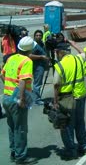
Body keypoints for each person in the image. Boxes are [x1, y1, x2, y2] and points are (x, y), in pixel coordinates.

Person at [53, 41, 86, 160]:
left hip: (67, 99)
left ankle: (71, 151)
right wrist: (72, 43)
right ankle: (84, 146)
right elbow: (83, 52)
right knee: (80, 122)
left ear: (60, 53)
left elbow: (56, 84)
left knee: (66, 125)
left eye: (56, 53)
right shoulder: (78, 59)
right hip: (80, 96)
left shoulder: (59, 66)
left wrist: (55, 101)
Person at [1, 36, 36, 164]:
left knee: (11, 126)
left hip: (6, 97)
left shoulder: (11, 58)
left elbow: (2, 74)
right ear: (30, 49)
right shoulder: (27, 61)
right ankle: (21, 156)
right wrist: (21, 98)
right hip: (16, 100)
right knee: (20, 128)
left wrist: (8, 88)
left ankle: (14, 151)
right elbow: (22, 80)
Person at [29, 30, 49, 105]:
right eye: (37, 35)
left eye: (40, 35)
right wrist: (41, 56)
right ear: (34, 36)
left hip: (41, 66)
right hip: (36, 66)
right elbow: (29, 55)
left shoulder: (42, 43)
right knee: (37, 84)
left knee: (37, 83)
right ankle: (36, 99)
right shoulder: (33, 45)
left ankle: (35, 97)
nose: (38, 37)